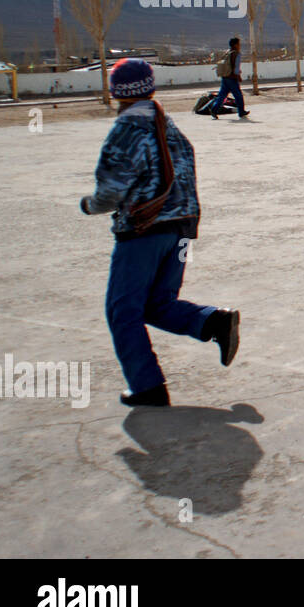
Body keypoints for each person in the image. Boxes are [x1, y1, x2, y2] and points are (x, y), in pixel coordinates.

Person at [79, 59, 240, 407]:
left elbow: (110, 193)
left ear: (116, 93)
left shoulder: (126, 130)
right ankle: (214, 321)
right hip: (182, 230)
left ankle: (147, 387)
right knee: (157, 303)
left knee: (123, 311)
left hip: (144, 233)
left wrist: (89, 205)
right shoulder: (169, 125)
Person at [211, 37, 249, 119]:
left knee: (222, 95)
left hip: (225, 77)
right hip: (232, 78)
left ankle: (214, 110)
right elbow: (236, 68)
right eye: (239, 44)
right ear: (235, 45)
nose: (240, 46)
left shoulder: (227, 52)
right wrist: (238, 76)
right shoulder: (236, 54)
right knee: (238, 95)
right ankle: (241, 112)